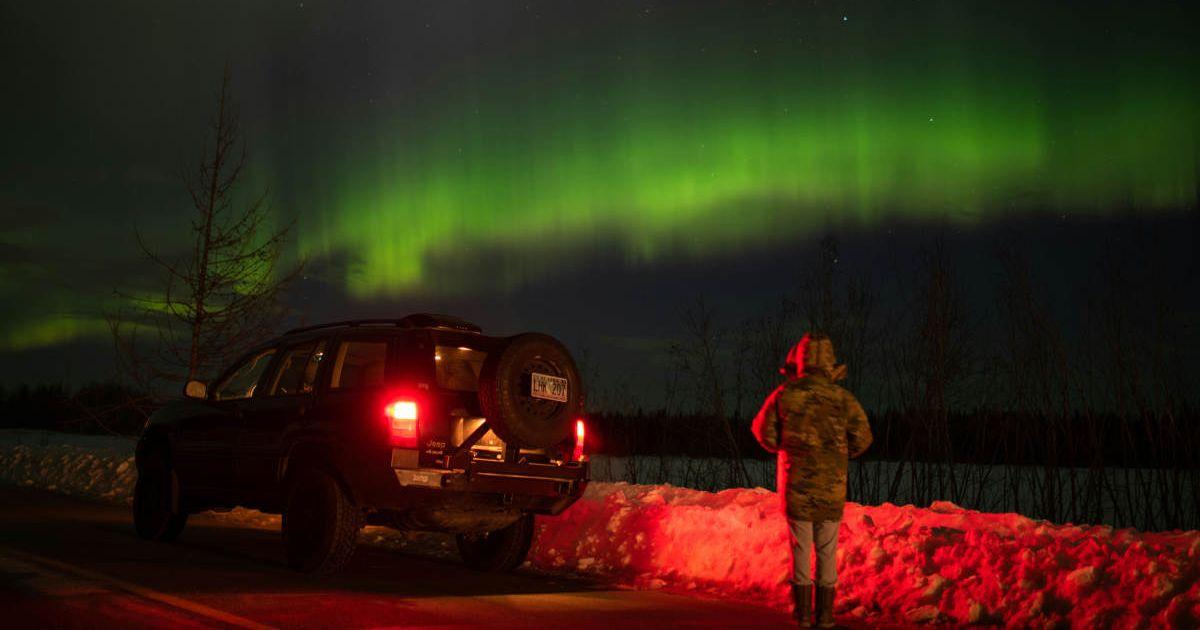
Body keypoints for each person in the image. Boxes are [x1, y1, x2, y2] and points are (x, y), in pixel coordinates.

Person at [752, 333, 873, 628]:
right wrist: (841, 452)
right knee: (827, 550)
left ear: (800, 360)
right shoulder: (843, 399)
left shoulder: (785, 394)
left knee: (801, 549)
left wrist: (784, 444)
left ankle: (804, 615)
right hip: (831, 490)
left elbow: (762, 432)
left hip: (797, 488)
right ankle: (826, 615)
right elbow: (863, 438)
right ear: (829, 361)